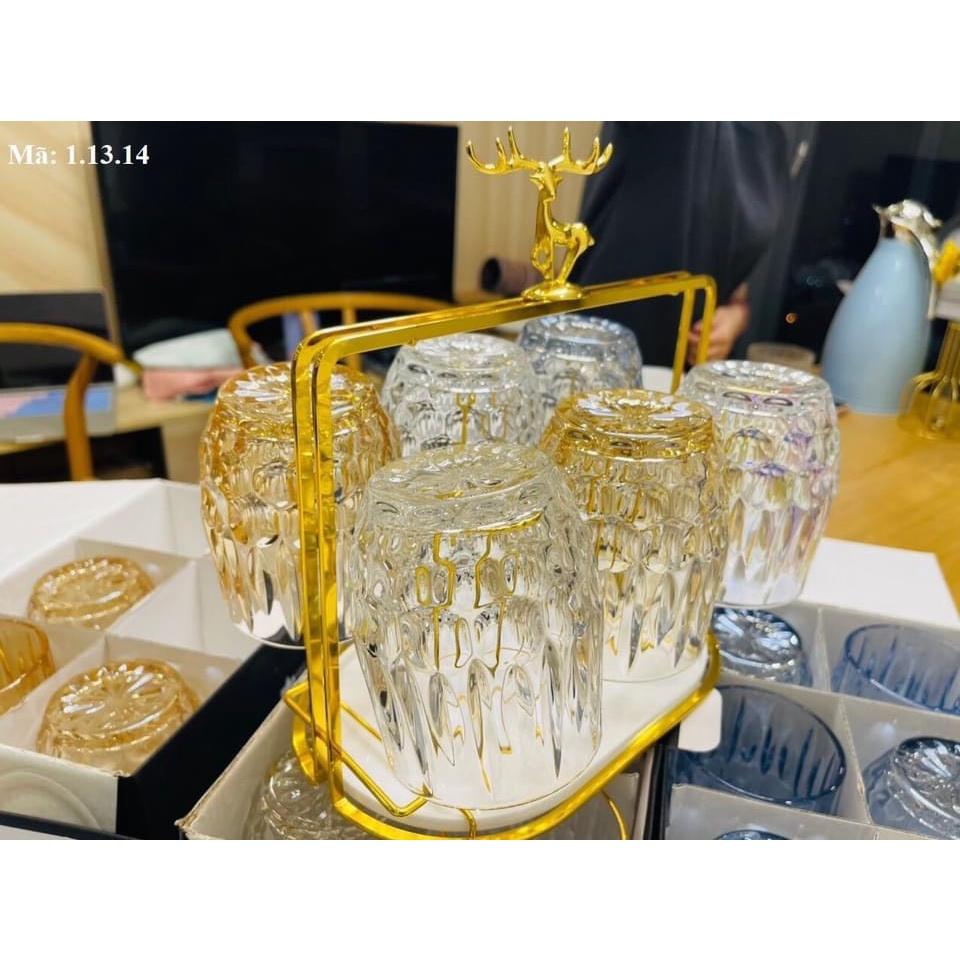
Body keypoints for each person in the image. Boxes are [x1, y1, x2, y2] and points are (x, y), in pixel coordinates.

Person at [573, 122, 799, 366]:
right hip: (601, 352)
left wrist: (735, 317)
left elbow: (734, 267)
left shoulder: (769, 140)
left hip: (685, 370)